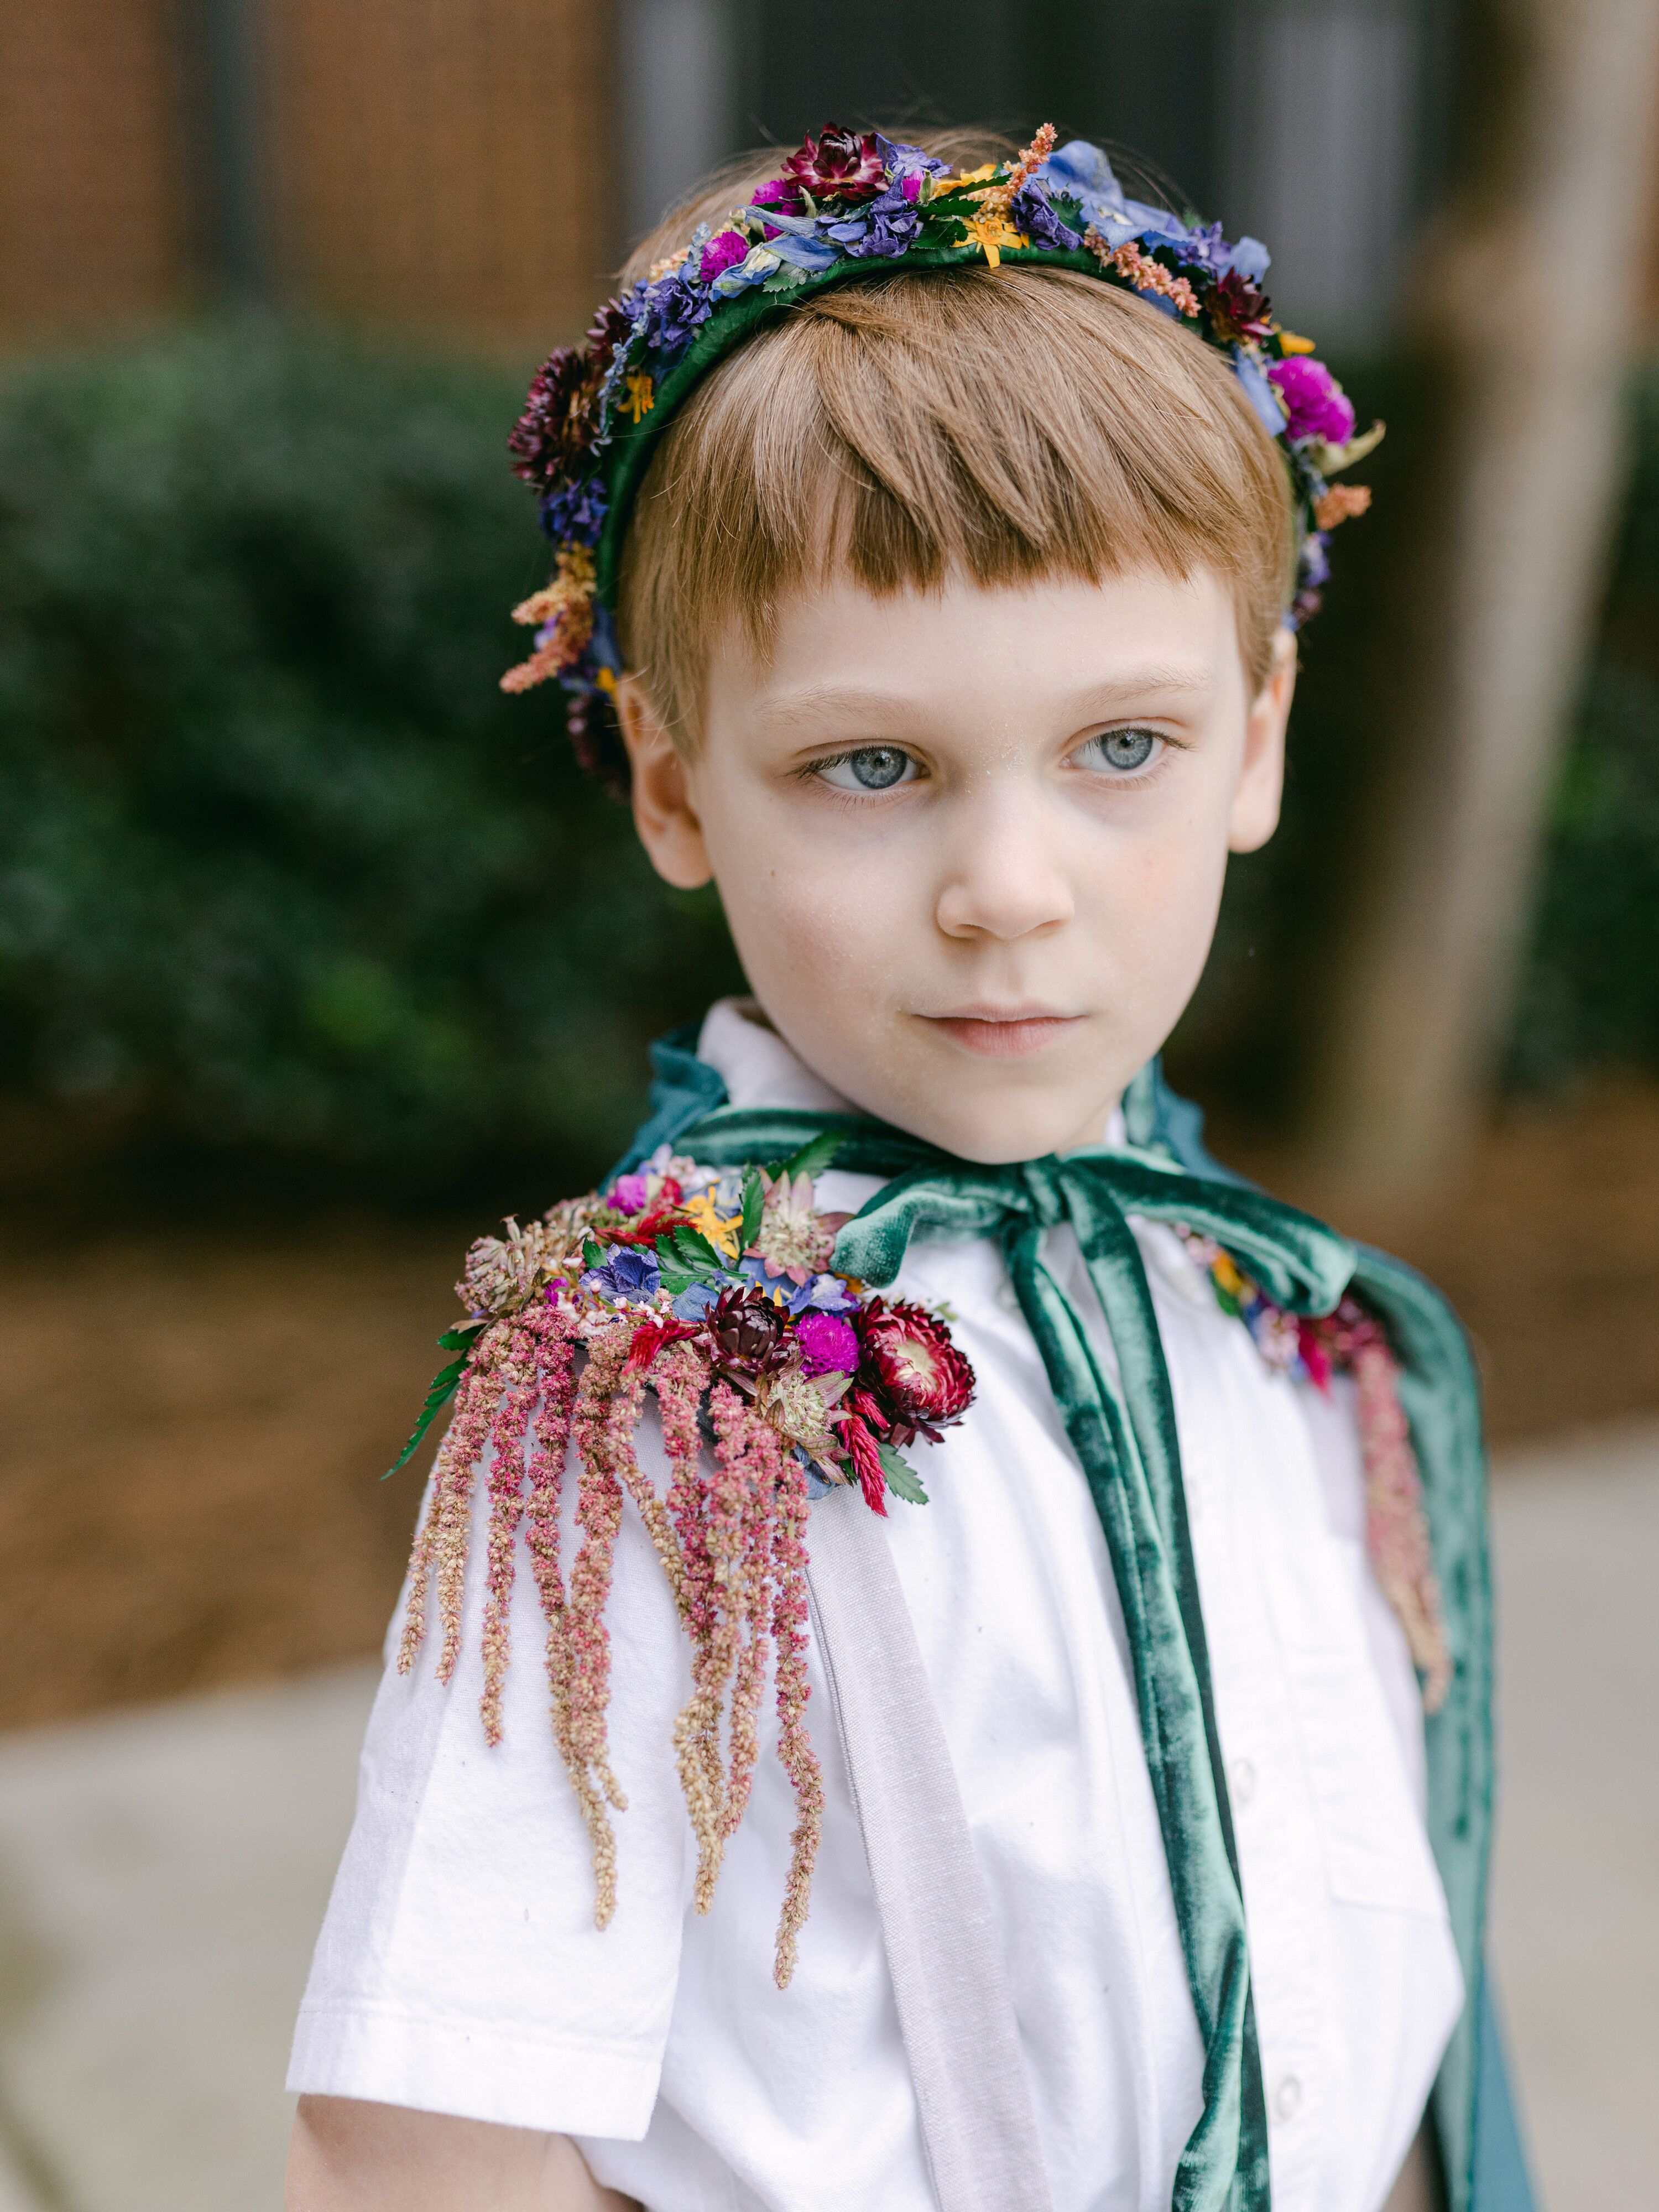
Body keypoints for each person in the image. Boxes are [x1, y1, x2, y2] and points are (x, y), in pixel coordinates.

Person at [285, 127, 1538, 2212]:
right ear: (677, 783)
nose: (1008, 890)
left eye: (1120, 747)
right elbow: (426, 2131)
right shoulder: (640, 1406)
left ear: (1260, 736)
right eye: (873, 767)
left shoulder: (1269, 1317)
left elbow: (1355, 1984)